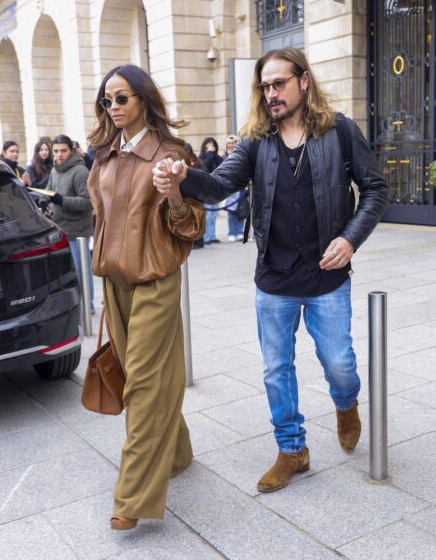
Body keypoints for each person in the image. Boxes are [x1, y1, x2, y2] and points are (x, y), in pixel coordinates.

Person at [153, 47, 388, 493]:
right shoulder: (257, 141)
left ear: (303, 81)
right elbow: (221, 183)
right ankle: (291, 449)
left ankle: (346, 402)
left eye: (279, 83)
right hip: (274, 280)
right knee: (276, 370)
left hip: (327, 275)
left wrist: (350, 238)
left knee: (340, 363)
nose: (271, 93)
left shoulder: (339, 131)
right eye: (265, 86)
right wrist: (185, 174)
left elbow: (375, 189)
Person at [86, 64, 205, 531]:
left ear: (143, 100)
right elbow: (100, 219)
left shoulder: (171, 155)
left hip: (154, 282)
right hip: (113, 285)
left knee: (142, 386)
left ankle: (131, 496)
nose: (113, 108)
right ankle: (177, 451)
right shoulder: (104, 159)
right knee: (139, 373)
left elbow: (191, 227)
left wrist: (175, 194)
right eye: (106, 101)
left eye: (122, 98)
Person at [47, 134, 95, 312]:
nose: (59, 155)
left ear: (71, 150)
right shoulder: (55, 169)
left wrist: (61, 201)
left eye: (63, 151)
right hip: (60, 228)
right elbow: (50, 191)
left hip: (78, 231)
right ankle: (75, 303)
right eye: (56, 151)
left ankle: (88, 306)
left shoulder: (80, 171)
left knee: (82, 271)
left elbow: (87, 202)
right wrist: (46, 200)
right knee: (67, 273)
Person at [199, 136, 223, 244]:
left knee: (213, 214)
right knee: (208, 214)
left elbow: (222, 164)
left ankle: (212, 236)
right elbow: (205, 167)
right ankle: (206, 237)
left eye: (213, 145)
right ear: (204, 146)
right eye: (208, 145)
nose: (211, 147)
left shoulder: (216, 156)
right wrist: (209, 154)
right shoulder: (202, 157)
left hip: (215, 187)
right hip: (205, 188)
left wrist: (214, 154)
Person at [223, 135, 246, 242]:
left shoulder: (243, 155)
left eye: (234, 142)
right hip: (229, 186)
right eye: (229, 143)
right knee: (231, 212)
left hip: (241, 187)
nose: (231, 145)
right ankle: (232, 232)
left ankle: (240, 232)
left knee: (241, 211)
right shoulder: (223, 157)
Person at [184, 143, 207, 248]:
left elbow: (204, 174)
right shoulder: (181, 161)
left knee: (198, 217)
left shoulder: (198, 161)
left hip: (196, 193)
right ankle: (192, 241)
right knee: (191, 218)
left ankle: (199, 241)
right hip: (187, 194)